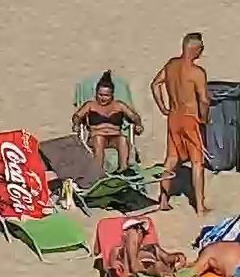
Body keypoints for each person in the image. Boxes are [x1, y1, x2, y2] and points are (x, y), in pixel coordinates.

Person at [153, 32, 210, 213]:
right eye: (201, 49)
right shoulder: (197, 73)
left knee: (171, 159)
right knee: (197, 162)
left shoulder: (171, 65)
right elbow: (204, 100)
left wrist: (162, 107)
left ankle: (163, 200)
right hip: (189, 118)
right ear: (195, 49)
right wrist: (204, 117)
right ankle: (200, 206)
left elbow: (155, 85)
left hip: (174, 117)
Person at [73, 71, 144, 171]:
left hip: (114, 137)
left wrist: (138, 124)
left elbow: (133, 116)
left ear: (112, 95)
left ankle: (123, 169)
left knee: (123, 139)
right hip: (96, 137)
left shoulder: (119, 105)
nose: (103, 98)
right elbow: (77, 116)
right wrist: (76, 124)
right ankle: (98, 171)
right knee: (99, 139)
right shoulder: (90, 105)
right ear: (96, 93)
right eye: (100, 94)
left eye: (106, 95)